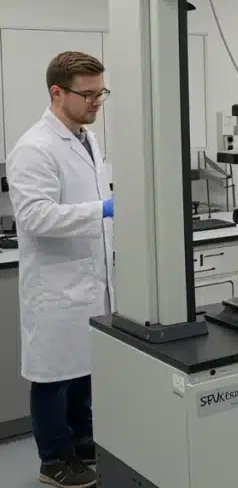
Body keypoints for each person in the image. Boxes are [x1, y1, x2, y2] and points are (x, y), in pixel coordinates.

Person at [7, 51, 114, 488]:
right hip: (56, 285)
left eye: (101, 93)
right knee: (53, 378)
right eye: (87, 94)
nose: (96, 102)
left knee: (86, 371)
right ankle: (53, 460)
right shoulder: (34, 148)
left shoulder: (87, 139)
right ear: (57, 92)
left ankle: (83, 443)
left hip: (89, 278)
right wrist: (102, 210)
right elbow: (34, 217)